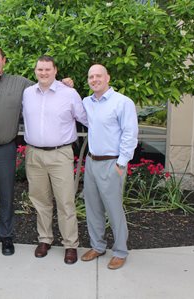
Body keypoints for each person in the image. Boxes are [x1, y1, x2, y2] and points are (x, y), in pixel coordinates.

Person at [0, 46, 74, 256]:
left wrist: (64, 84)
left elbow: (45, 88)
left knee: (7, 195)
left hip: (6, 149)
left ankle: (6, 237)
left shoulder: (22, 85)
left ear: (4, 60)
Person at [22, 56, 87, 264]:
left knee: (65, 200)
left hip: (60, 154)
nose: (43, 73)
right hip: (34, 154)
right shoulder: (27, 93)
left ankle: (70, 244)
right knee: (40, 200)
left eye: (47, 69)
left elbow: (86, 119)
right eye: (40, 69)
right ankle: (45, 239)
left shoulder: (69, 94)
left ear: (55, 70)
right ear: (35, 71)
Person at [80, 64, 138, 270]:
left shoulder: (122, 103)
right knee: (93, 207)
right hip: (92, 161)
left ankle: (120, 251)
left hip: (112, 163)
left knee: (114, 210)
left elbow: (130, 134)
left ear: (108, 78)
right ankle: (98, 246)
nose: (94, 79)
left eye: (98, 76)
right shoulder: (87, 102)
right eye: (91, 76)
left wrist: (121, 164)